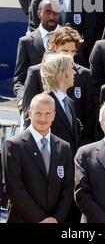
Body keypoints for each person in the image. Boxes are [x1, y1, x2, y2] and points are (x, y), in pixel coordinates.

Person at [2, 93, 74, 222]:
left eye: (47, 114)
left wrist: (56, 218)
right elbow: (14, 188)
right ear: (29, 113)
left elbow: (68, 188)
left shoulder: (64, 147)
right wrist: (41, 219)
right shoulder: (13, 145)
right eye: (38, 113)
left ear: (54, 115)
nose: (43, 118)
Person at [22, 25, 95, 144]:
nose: (69, 56)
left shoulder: (82, 75)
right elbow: (28, 117)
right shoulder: (36, 73)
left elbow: (88, 119)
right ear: (54, 47)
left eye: (73, 52)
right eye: (65, 51)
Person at [13, 0, 61, 111]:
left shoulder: (70, 40)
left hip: (62, 107)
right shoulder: (26, 42)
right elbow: (19, 79)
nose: (51, 17)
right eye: (47, 12)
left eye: (55, 13)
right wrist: (22, 100)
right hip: (36, 108)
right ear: (39, 13)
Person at [40, 52, 81, 156]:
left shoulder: (70, 102)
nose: (74, 73)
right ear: (61, 75)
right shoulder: (44, 102)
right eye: (71, 69)